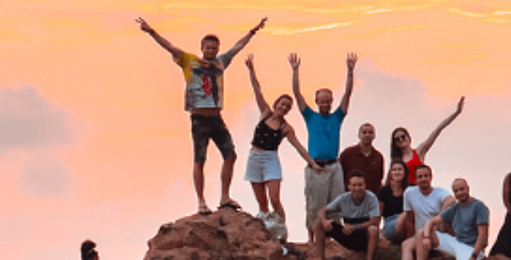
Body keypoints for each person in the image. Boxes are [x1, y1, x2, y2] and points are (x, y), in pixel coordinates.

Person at [138, 15, 267, 214]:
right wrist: (151, 32)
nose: (211, 51)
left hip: (216, 117)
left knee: (230, 155)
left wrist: (253, 30)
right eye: (208, 47)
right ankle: (201, 201)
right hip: (199, 119)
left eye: (214, 48)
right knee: (200, 159)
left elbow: (237, 46)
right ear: (202, 48)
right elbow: (170, 47)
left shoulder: (221, 62)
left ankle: (225, 196)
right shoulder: (189, 61)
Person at [242, 54, 312, 240]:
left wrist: (313, 163)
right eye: (282, 104)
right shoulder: (265, 113)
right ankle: (267, 235)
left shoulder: (286, 128)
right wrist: (251, 69)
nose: (284, 108)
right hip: (254, 157)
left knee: (274, 199)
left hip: (271, 159)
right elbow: (257, 89)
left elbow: (299, 147)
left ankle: (281, 232)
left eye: (288, 106)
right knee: (262, 203)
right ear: (276, 104)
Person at [293, 51, 356, 236]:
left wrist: (350, 71)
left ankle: (334, 239)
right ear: (317, 102)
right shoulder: (310, 116)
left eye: (328, 101)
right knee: (315, 205)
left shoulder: (337, 117)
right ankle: (313, 240)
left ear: (331, 101)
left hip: (335, 166)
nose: (325, 104)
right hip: (316, 166)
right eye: (322, 101)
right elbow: (297, 94)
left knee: (336, 204)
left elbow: (347, 94)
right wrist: (295, 71)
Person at [310, 171, 382, 260]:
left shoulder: (371, 198)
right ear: (348, 186)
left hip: (363, 236)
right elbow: (322, 211)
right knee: (319, 223)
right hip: (347, 234)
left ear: (365, 185)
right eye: (354, 185)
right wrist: (325, 221)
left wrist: (355, 227)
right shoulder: (343, 198)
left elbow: (375, 221)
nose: (357, 188)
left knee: (373, 230)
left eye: (360, 185)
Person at [393, 164, 450, 260]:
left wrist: (439, 217)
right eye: (420, 177)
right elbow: (408, 216)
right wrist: (408, 234)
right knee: (406, 244)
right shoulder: (410, 192)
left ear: (431, 177)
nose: (423, 179)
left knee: (422, 232)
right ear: (416, 179)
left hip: (437, 234)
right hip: (420, 237)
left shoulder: (440, 192)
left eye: (426, 176)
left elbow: (451, 201)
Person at [389, 96, 465, 177]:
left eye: (403, 137)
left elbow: (438, 129)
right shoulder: (396, 160)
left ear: (408, 137)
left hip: (419, 188)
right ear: (395, 143)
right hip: (404, 189)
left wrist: (457, 112)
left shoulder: (419, 152)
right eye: (397, 139)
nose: (401, 139)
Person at [339, 123, 386, 194]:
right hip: (350, 197)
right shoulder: (347, 154)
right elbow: (339, 176)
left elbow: (379, 180)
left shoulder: (378, 157)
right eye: (364, 132)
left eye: (370, 132)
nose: (367, 135)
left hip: (371, 198)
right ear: (359, 135)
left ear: (374, 136)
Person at [376, 160, 410, 246]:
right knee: (406, 214)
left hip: (410, 223)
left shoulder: (411, 189)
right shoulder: (384, 191)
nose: (397, 172)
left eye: (400, 169)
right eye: (394, 170)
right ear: (390, 173)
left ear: (405, 172)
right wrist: (377, 236)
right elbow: (378, 214)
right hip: (390, 224)